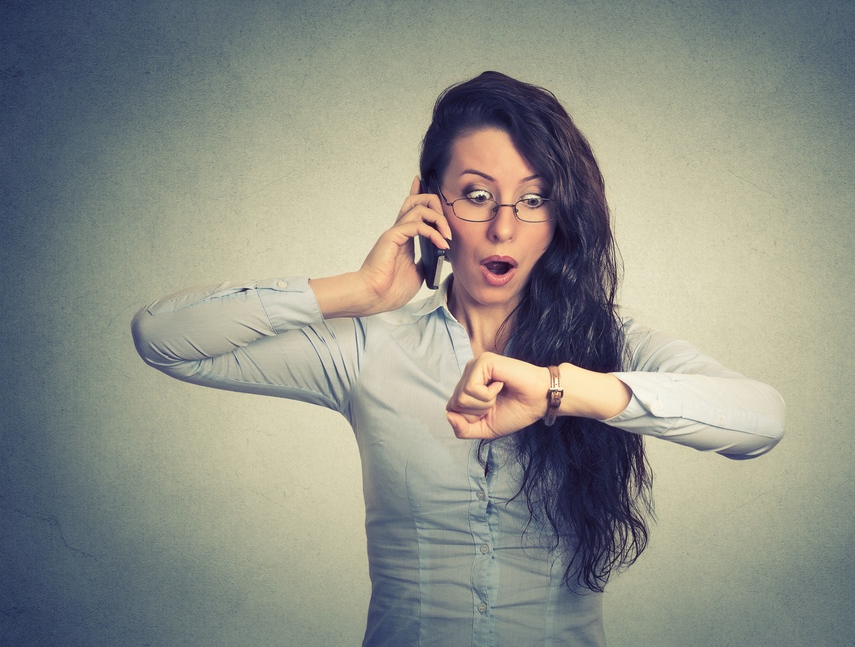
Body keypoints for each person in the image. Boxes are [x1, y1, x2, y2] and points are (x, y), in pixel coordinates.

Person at [132, 71, 785, 646]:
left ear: (560, 216)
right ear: (429, 200)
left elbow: (761, 420)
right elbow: (162, 335)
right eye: (477, 194)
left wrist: (566, 390)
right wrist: (357, 290)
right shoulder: (372, 346)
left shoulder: (607, 343)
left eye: (533, 199)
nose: (504, 228)